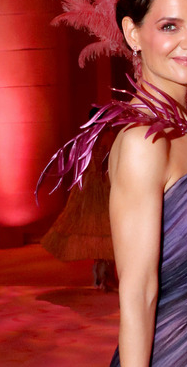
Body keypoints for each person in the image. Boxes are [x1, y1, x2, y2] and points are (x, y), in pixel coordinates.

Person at [39, 0, 187, 366]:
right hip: (176, 353)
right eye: (170, 26)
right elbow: (138, 293)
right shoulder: (143, 141)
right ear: (133, 33)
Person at [40, 108, 117, 291]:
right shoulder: (108, 136)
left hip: (88, 185)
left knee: (99, 230)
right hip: (102, 185)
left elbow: (81, 163)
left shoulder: (85, 138)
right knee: (107, 229)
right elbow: (108, 163)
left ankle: (101, 272)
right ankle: (105, 274)